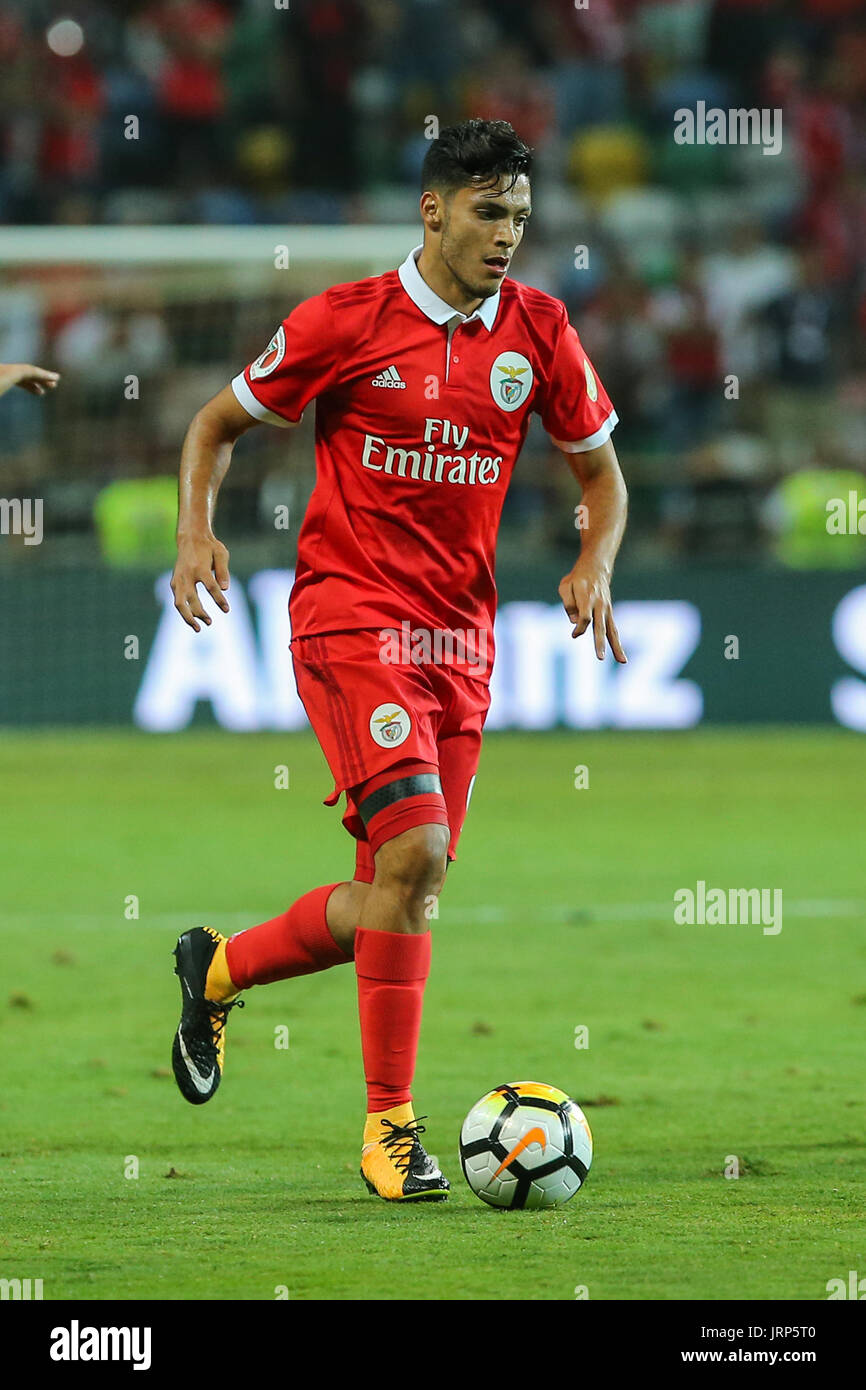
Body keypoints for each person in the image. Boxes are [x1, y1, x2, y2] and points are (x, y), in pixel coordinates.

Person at [169, 118, 628, 1203]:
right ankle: (388, 1130)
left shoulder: (540, 335)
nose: (507, 234)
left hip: (459, 642)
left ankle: (217, 967)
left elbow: (600, 478)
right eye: (487, 212)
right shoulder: (343, 320)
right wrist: (196, 530)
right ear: (433, 211)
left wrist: (592, 561)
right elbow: (212, 425)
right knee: (416, 848)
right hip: (349, 615)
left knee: (399, 889)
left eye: (518, 214)